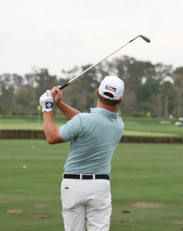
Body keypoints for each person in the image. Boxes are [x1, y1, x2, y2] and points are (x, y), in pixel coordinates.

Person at [39, 76, 125, 231]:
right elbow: (84, 121)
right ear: (119, 100)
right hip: (100, 185)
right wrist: (59, 103)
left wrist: (47, 107)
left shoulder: (83, 121)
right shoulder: (118, 124)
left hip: (72, 185)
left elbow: (52, 137)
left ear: (98, 92)